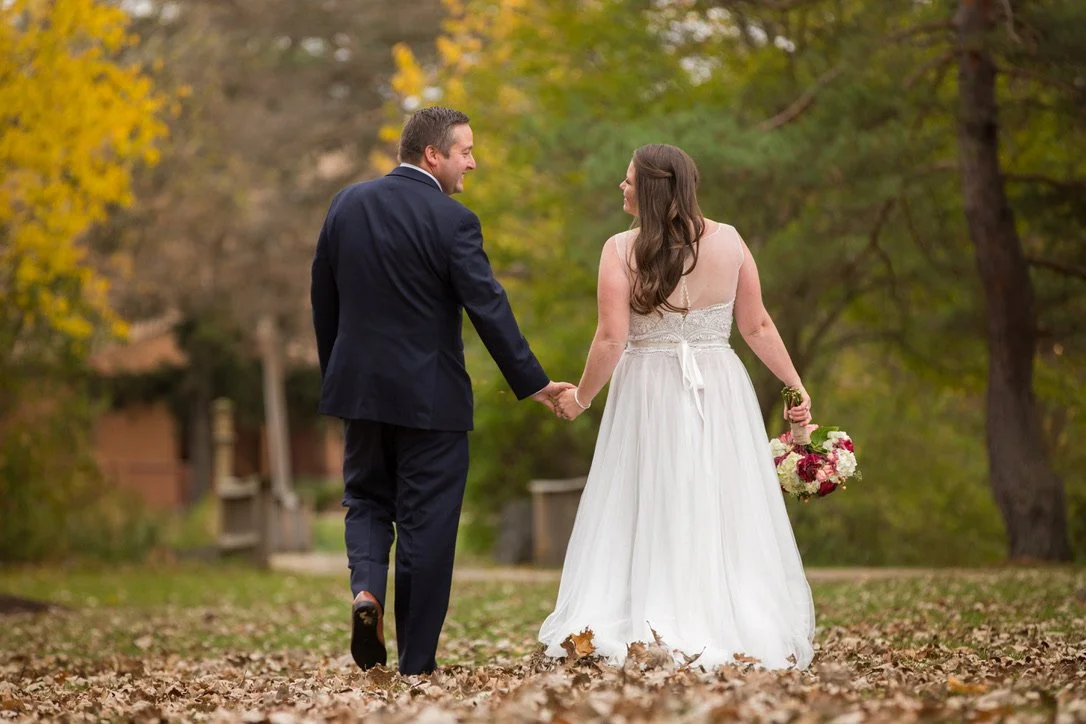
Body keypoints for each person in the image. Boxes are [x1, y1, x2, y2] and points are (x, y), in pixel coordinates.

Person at [310, 106, 571, 676]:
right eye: (466, 151)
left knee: (367, 500)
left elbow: (323, 300)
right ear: (434, 154)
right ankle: (416, 664)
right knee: (427, 527)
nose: (473, 163)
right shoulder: (453, 221)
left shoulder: (346, 205)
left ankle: (365, 593)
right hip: (433, 403)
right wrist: (532, 382)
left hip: (360, 393)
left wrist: (341, 376)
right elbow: (489, 308)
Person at [538, 144, 816, 670]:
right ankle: (722, 616)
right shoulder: (730, 241)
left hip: (649, 387)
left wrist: (580, 398)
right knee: (716, 495)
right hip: (719, 386)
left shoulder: (620, 249)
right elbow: (755, 327)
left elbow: (610, 339)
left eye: (627, 182)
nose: (621, 188)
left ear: (651, 190)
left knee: (647, 492)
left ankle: (649, 613)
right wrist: (794, 384)